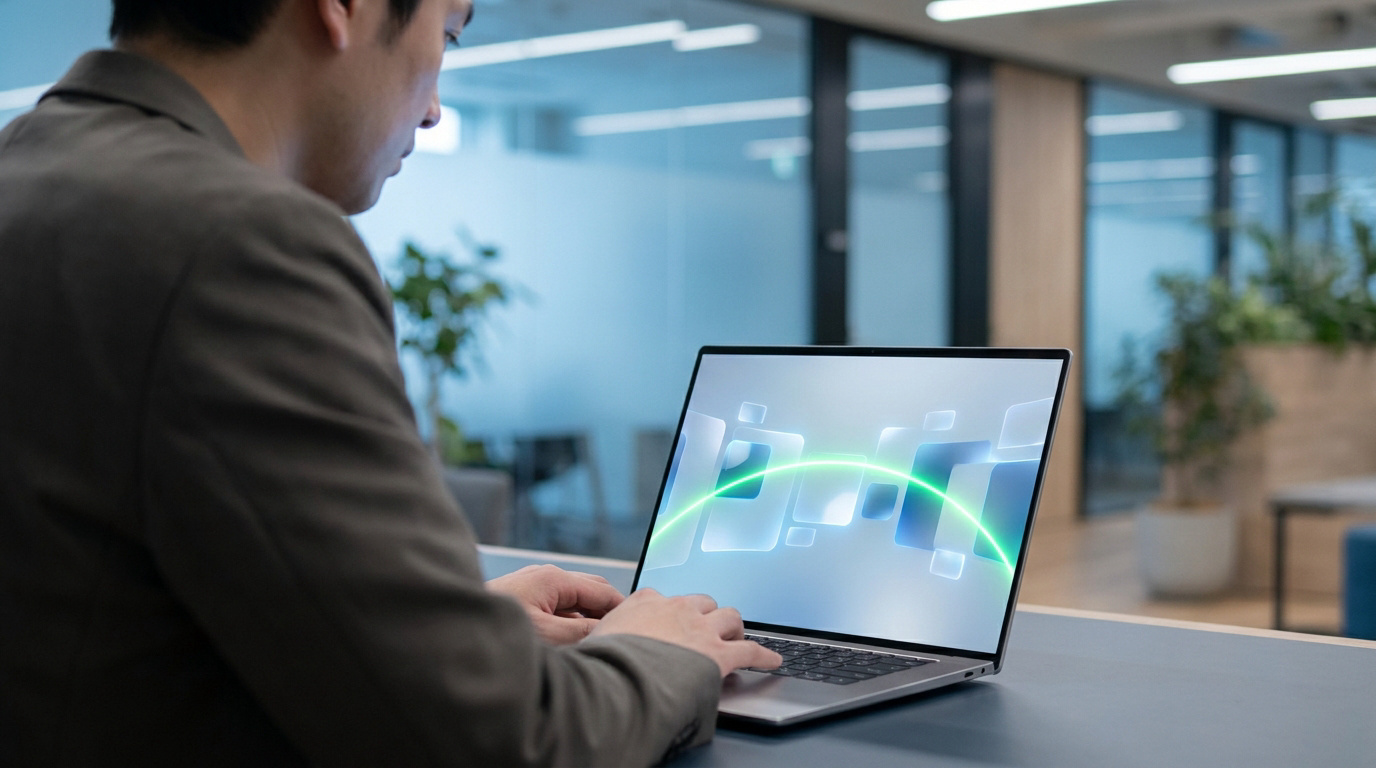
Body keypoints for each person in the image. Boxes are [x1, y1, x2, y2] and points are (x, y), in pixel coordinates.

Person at [0, 0, 779, 764]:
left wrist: (440, 635)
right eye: (447, 35)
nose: (435, 110)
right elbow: (500, 743)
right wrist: (656, 653)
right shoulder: (241, 242)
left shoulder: (29, 173)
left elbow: (102, 602)